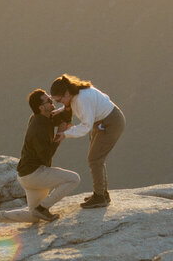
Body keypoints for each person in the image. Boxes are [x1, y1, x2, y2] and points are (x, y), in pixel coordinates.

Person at [0, 89, 80, 236]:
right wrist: (60, 135)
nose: (52, 102)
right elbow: (46, 157)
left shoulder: (41, 117)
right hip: (34, 174)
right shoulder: (39, 127)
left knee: (33, 216)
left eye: (50, 99)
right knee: (73, 179)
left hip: (26, 175)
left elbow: (62, 116)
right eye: (49, 101)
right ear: (41, 107)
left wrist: (68, 106)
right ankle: (43, 208)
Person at [49, 74, 125, 208]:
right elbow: (77, 106)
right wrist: (62, 110)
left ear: (66, 93)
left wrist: (65, 134)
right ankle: (102, 194)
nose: (59, 103)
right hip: (104, 121)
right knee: (97, 159)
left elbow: (85, 126)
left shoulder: (81, 99)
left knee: (95, 159)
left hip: (111, 123)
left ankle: (100, 196)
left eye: (59, 100)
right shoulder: (77, 93)